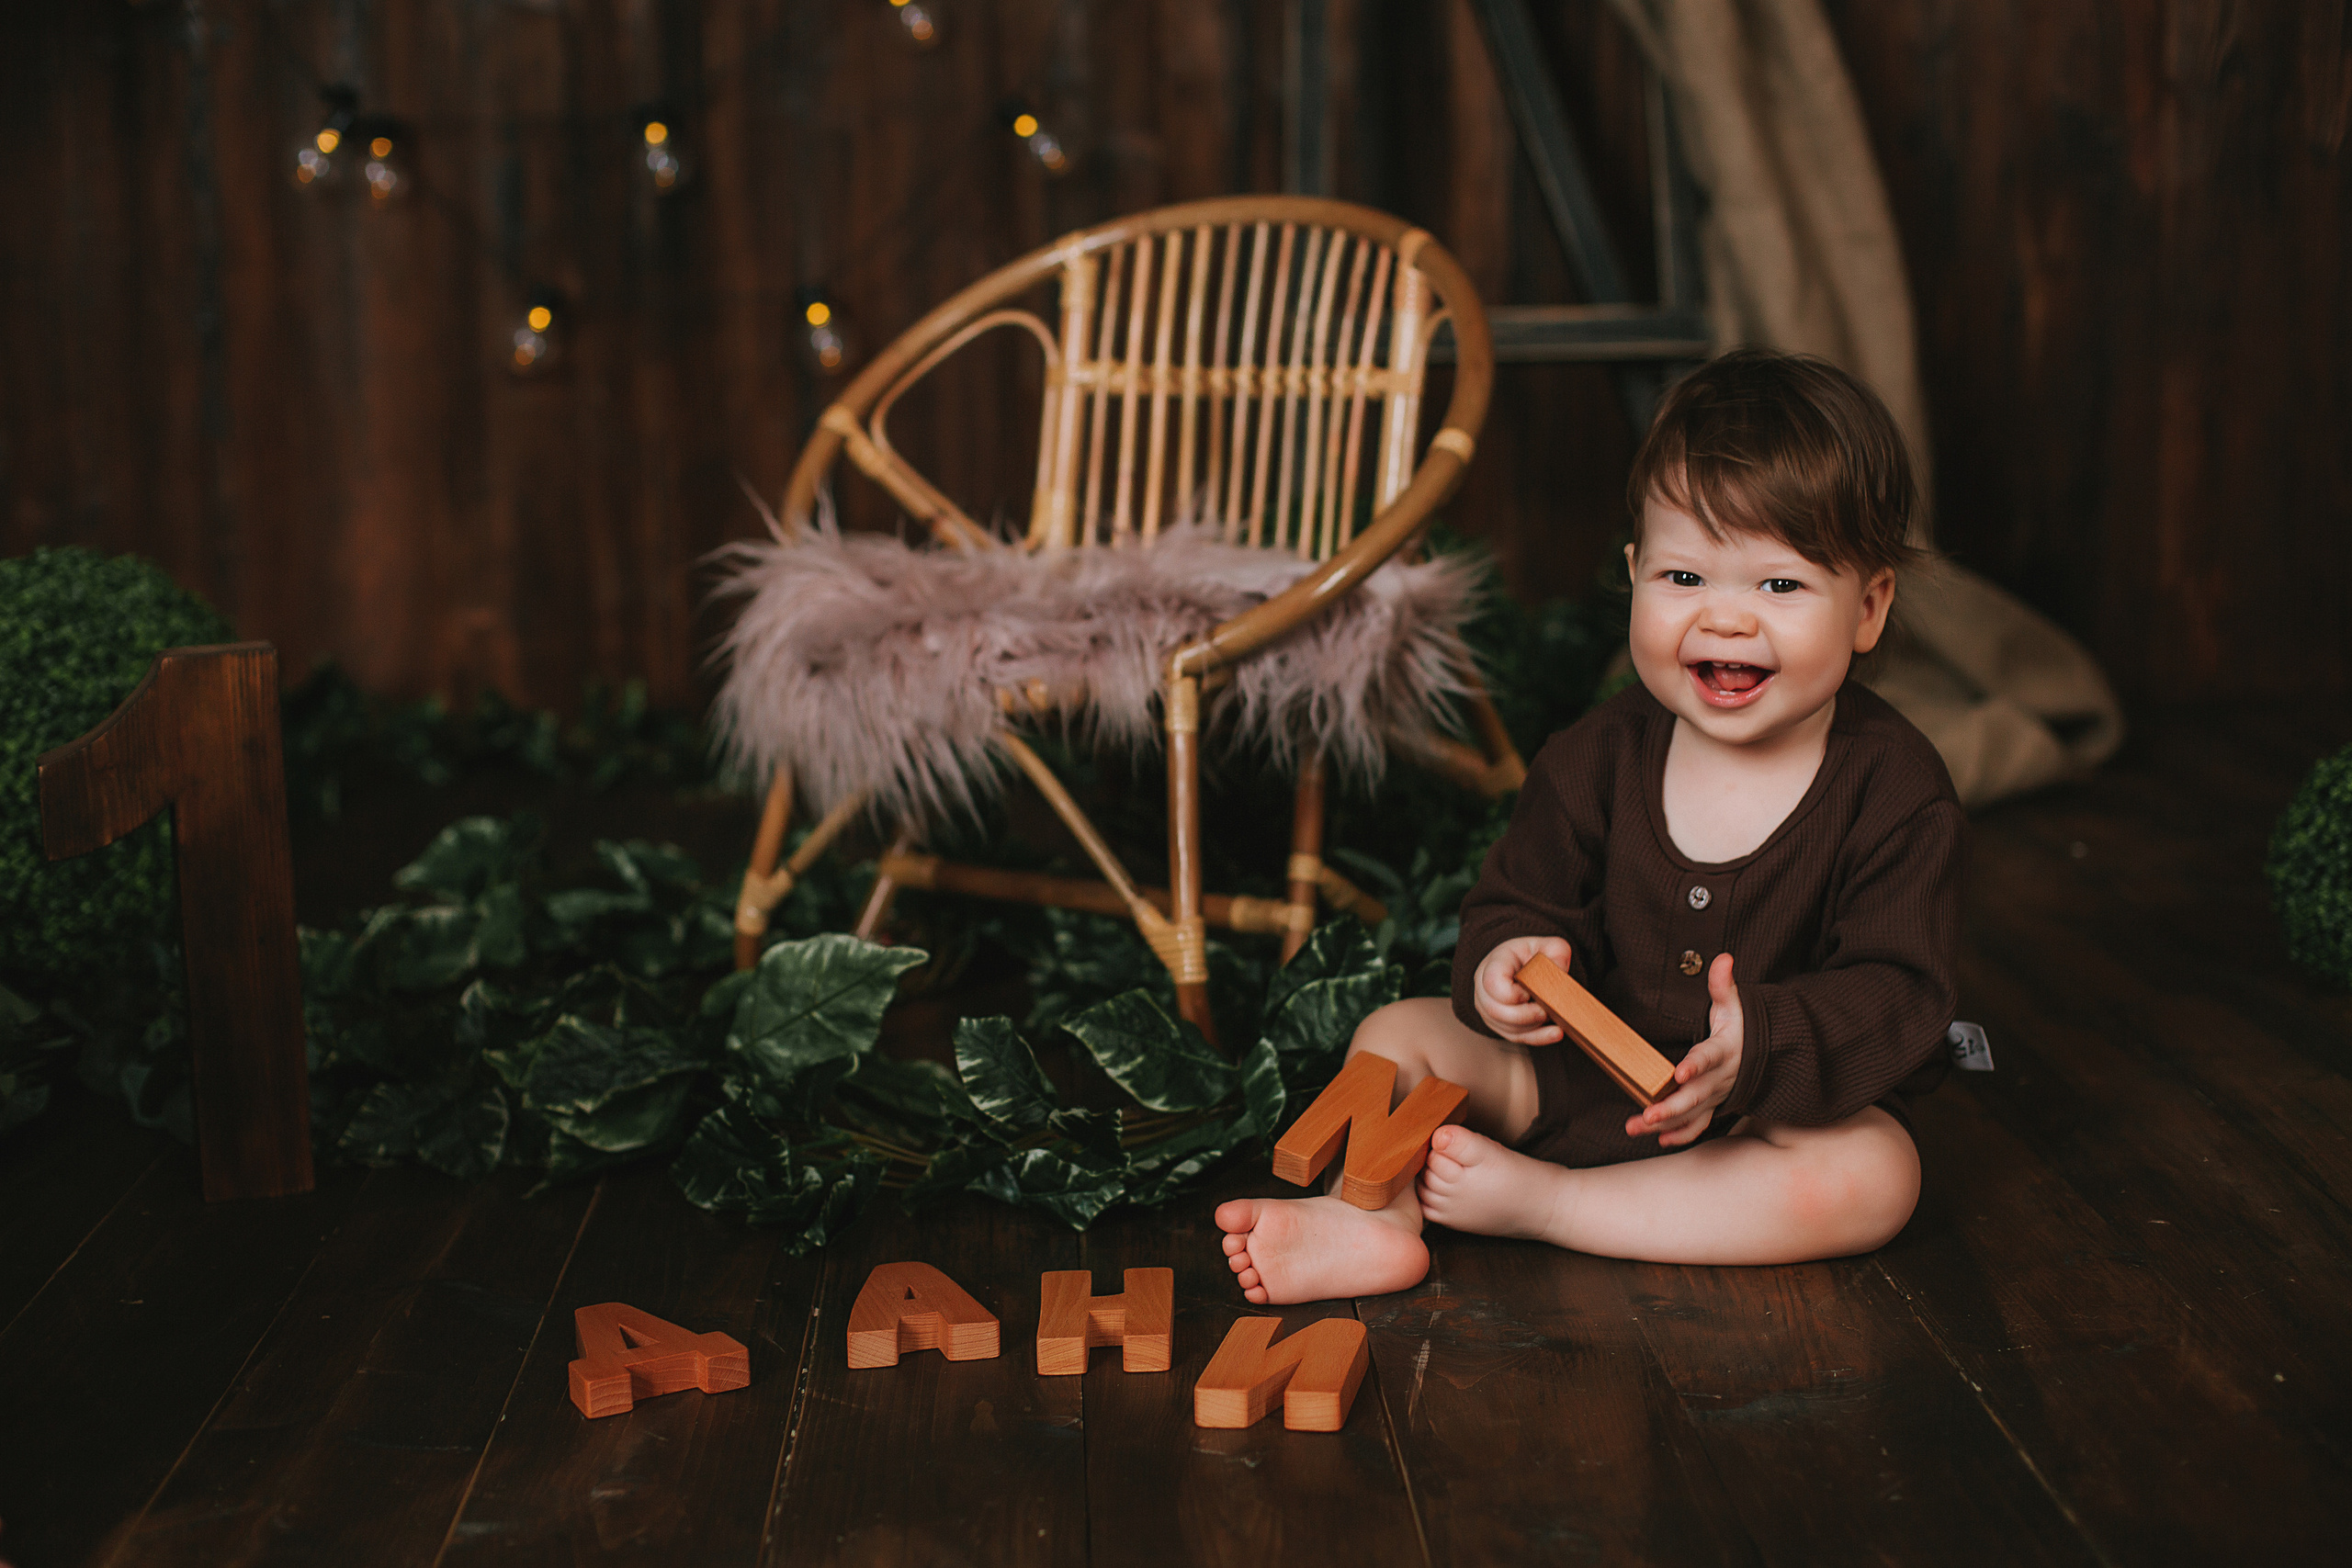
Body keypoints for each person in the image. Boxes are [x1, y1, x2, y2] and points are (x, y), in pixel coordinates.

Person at [1216, 349, 1963, 1303]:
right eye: (1685, 575)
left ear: (1867, 608)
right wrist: (1505, 964)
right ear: (1633, 573)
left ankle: (1555, 1206)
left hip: (1754, 1122)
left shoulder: (1893, 789)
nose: (1726, 620)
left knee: (1875, 1177)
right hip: (1565, 1079)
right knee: (1397, 1030)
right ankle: (1372, 1220)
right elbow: (1515, 898)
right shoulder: (1596, 754)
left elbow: (1903, 991)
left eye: (1779, 587)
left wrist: (1761, 1048)